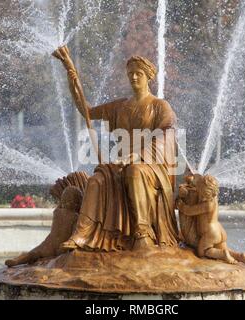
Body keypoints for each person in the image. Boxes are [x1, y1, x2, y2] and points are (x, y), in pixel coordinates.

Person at [52, 46, 179, 251]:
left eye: (139, 74)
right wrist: (70, 73)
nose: (134, 78)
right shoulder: (120, 106)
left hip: (150, 166)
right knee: (95, 180)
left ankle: (143, 234)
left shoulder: (160, 106)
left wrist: (137, 156)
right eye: (131, 74)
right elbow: (87, 111)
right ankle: (82, 235)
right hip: (120, 164)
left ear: (148, 77)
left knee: (135, 171)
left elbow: (167, 133)